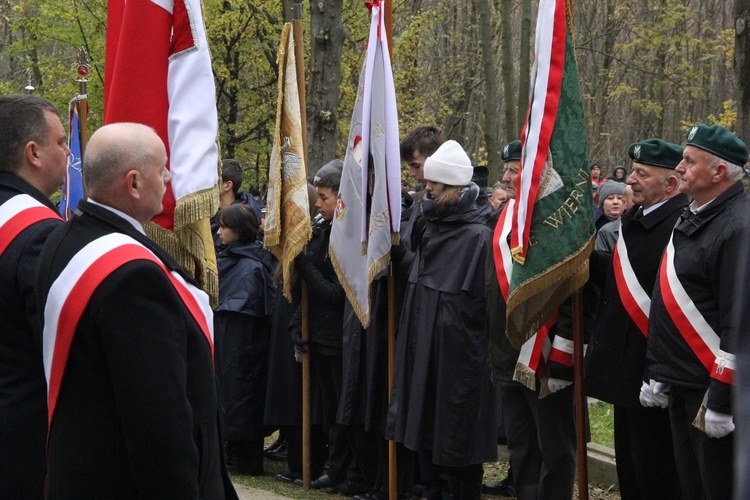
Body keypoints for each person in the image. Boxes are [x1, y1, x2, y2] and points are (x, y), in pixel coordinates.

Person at [36, 122, 237, 498]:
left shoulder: (64, 237)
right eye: (161, 168)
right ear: (133, 183)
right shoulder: (135, 277)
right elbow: (158, 423)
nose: (168, 176)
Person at [644, 124, 750, 499]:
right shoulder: (696, 215)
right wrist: (658, 370)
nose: (680, 167)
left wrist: (722, 399)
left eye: (689, 161)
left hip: (715, 391)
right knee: (692, 486)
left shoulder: (738, 227)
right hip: (685, 381)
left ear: (719, 172)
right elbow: (672, 302)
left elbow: (739, 321)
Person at [387, 140, 496, 500]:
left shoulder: (478, 236)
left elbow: (483, 308)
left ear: (451, 186)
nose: (425, 187)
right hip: (423, 348)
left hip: (457, 357)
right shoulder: (431, 225)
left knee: (457, 437)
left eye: (433, 182)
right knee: (427, 431)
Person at [586, 138, 686, 499]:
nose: (630, 180)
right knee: (631, 472)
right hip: (623, 369)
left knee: (656, 476)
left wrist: (657, 370)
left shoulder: (679, 227)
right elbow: (619, 277)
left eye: (642, 174)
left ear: (671, 184)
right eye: (632, 172)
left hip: (653, 374)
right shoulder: (636, 220)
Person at [485, 140, 583, 500]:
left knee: (554, 451)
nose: (507, 177)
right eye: (507, 169)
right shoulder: (505, 215)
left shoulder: (557, 222)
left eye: (515, 170)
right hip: (508, 354)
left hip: (544, 357)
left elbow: (571, 295)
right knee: (522, 448)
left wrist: (563, 354)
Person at [0, 94, 68, 499]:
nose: (68, 151)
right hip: (21, 441)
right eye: (61, 142)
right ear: (34, 153)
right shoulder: (39, 235)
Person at [290, 160, 364, 494]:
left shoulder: (347, 236)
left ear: (341, 198)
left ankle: (346, 470)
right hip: (319, 336)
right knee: (327, 407)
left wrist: (306, 266)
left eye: (323, 197)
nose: (317, 204)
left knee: (341, 410)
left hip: (338, 337)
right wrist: (298, 327)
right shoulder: (323, 230)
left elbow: (335, 293)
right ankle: (335, 468)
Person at [214, 203, 276, 476]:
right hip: (225, 342)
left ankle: (246, 457)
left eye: (224, 226)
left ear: (238, 230)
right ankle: (230, 451)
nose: (219, 232)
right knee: (227, 393)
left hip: (245, 347)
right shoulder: (226, 260)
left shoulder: (253, 267)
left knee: (243, 395)